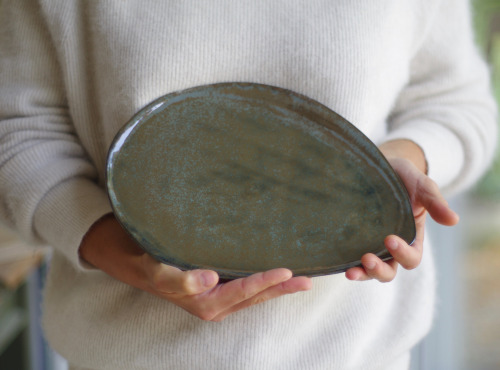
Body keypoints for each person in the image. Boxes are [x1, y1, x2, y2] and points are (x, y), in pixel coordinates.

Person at [0, 0, 496, 369]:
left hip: (359, 353)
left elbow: (455, 102)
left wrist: (390, 172)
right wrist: (130, 258)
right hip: (125, 355)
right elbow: (21, 132)